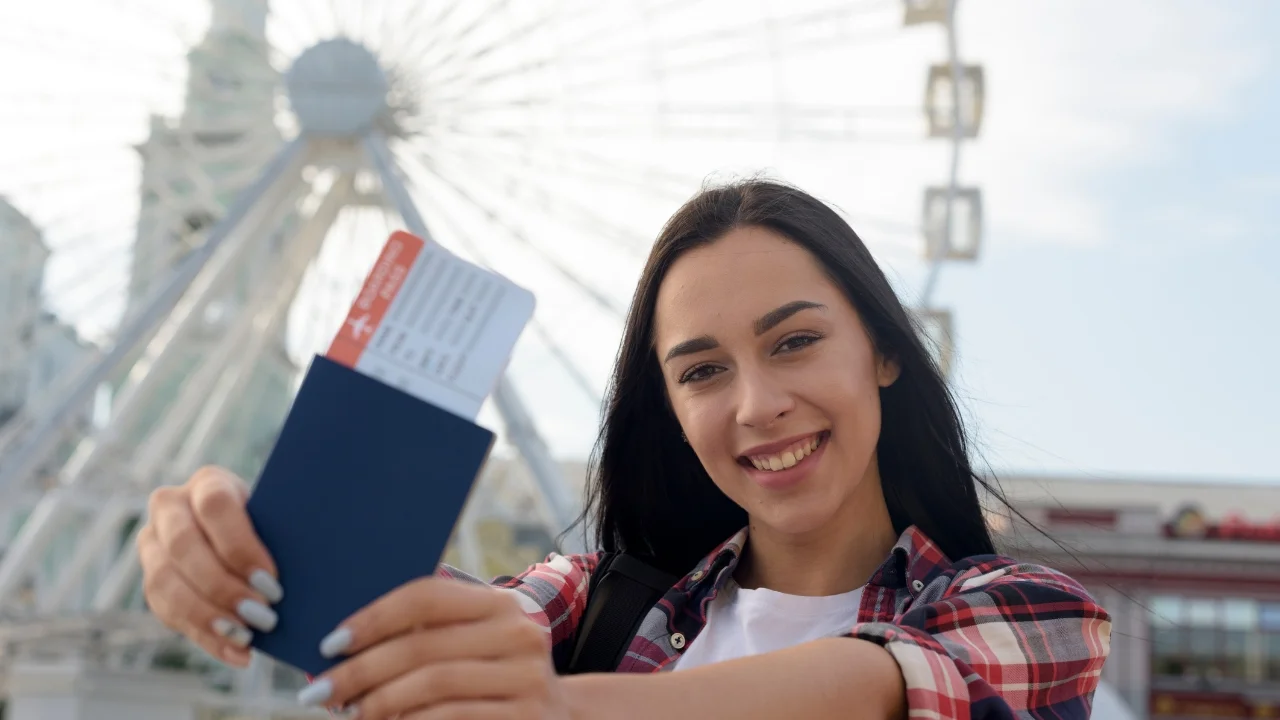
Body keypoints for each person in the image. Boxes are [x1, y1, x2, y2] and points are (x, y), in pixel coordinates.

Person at [138, 179, 1111, 720]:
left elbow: (876, 684)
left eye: (794, 342)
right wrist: (235, 546)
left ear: (885, 352)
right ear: (671, 410)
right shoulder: (589, 604)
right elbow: (398, 615)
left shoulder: (1029, 614)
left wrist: (559, 710)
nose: (758, 405)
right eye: (702, 371)